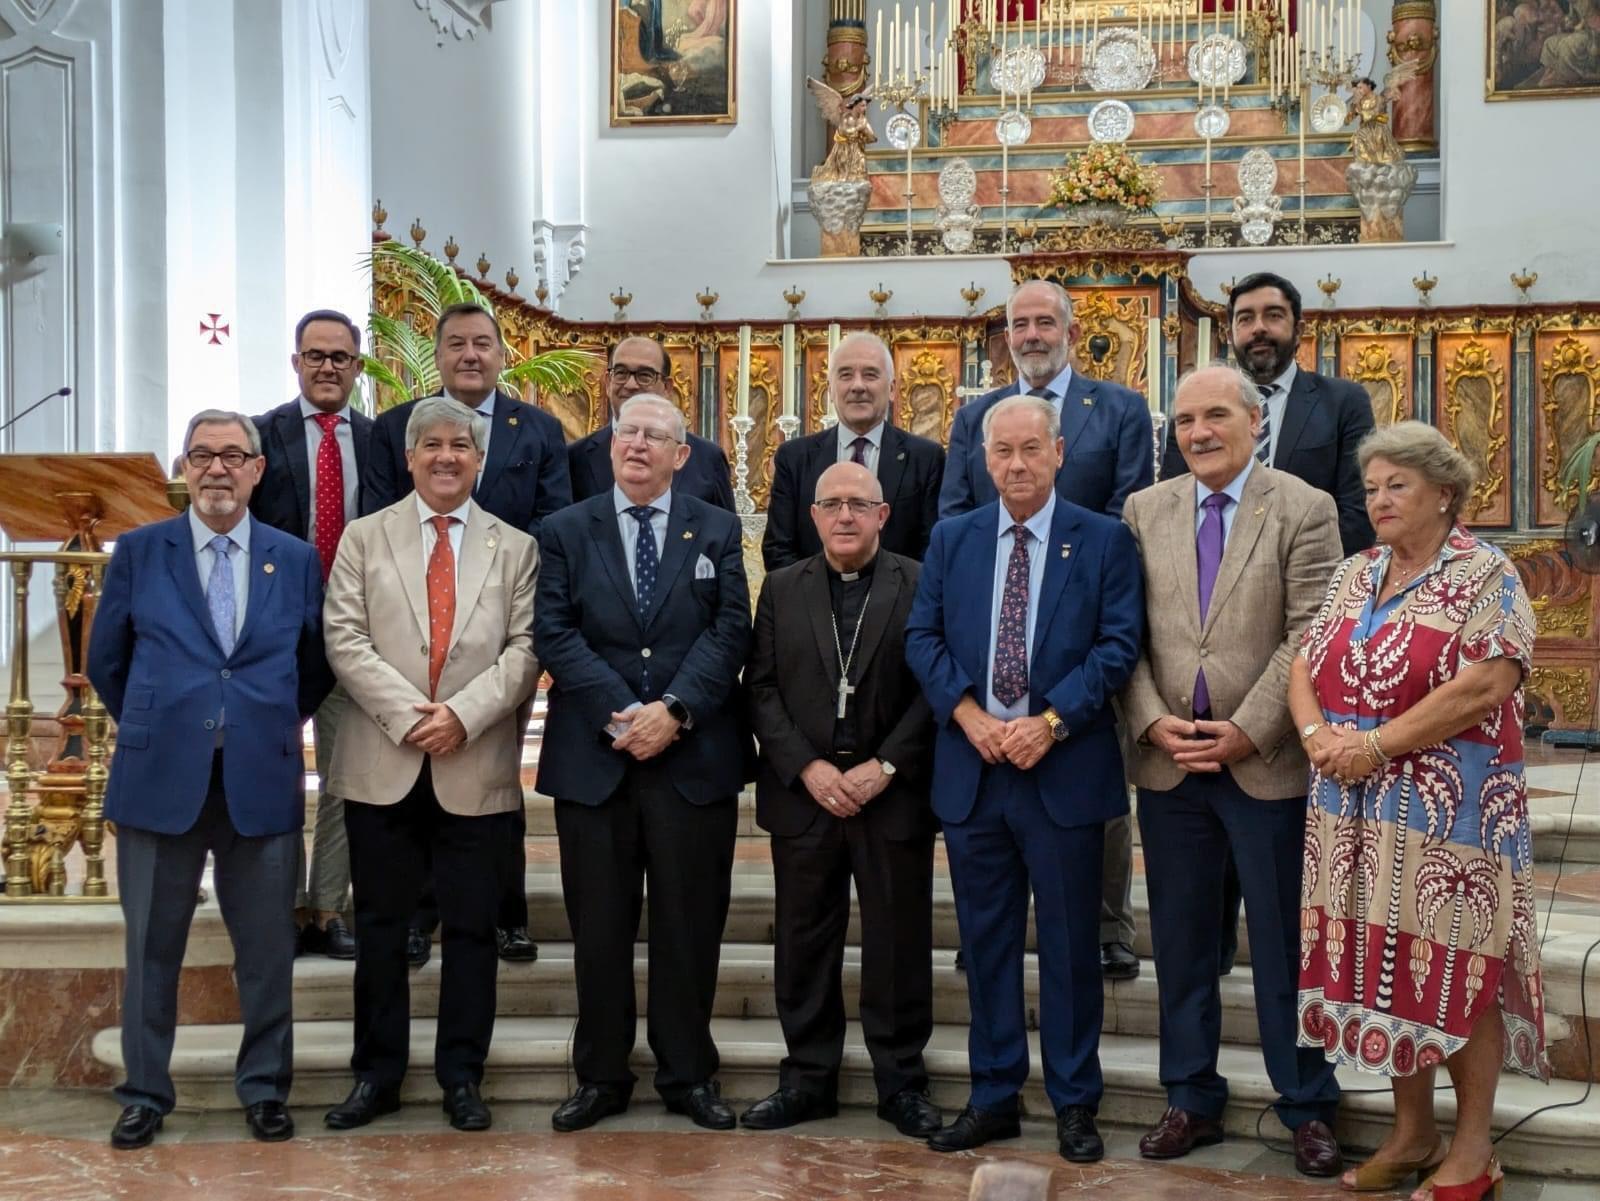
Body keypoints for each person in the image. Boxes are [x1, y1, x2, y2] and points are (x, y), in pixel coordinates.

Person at [1293, 421, 1548, 1201]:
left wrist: (1373, 747)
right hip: (1353, 812)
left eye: (1396, 484)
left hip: (1454, 817)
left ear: (1445, 492)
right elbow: (1306, 660)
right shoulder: (1357, 570)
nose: (1379, 501)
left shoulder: (1485, 572)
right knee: (1388, 963)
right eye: (1371, 488)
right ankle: (1413, 1132)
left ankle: (1474, 1149)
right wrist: (1315, 734)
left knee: (1455, 970)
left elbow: (1485, 685)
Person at [1119, 365, 1344, 1177]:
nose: (1200, 432)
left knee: (1286, 944)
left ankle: (1308, 1103)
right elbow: (1127, 631)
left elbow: (1312, 631)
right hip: (1171, 765)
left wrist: (1247, 730)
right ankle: (1190, 1096)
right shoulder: (1145, 509)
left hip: (1270, 766)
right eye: (1184, 420)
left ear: (1256, 421)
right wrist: (1150, 718)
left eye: (1216, 414)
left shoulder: (1304, 506)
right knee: (1181, 944)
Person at [906, 394, 1143, 1164]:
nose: (1014, 464)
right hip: (975, 772)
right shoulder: (953, 537)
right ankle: (994, 1093)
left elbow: (1118, 645)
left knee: (1073, 947)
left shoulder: (1103, 539)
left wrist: (1050, 722)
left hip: (1062, 768)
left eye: (1029, 449)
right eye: (1000, 450)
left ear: (1059, 451)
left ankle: (1075, 1101)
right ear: (982, 457)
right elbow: (924, 637)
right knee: (987, 942)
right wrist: (970, 716)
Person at [88, 409, 330, 1149]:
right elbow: (108, 660)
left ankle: (264, 1089)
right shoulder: (138, 550)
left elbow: (315, 662)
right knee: (151, 948)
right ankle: (145, 1092)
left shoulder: (292, 558)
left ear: (257, 469)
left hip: (260, 776)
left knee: (265, 953)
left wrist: (260, 719)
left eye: (232, 455)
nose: (217, 469)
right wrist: (167, 720)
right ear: (184, 470)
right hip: (161, 779)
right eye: (202, 456)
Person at [535, 393, 753, 1134]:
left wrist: (677, 710)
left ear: (680, 454)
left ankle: (689, 1072)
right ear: (608, 444)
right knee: (598, 926)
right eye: (626, 431)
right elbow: (554, 631)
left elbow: (731, 630)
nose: (637, 445)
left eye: (655, 435)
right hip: (595, 758)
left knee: (690, 925)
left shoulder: (718, 529)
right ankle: (600, 1074)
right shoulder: (565, 529)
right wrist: (622, 711)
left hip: (692, 759)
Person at [321, 397, 539, 1133]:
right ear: (410, 456)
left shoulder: (516, 546)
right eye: (432, 445)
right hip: (384, 757)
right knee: (381, 926)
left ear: (479, 461)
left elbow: (524, 649)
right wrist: (415, 716)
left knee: (473, 931)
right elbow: (345, 637)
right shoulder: (363, 537)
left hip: (472, 759)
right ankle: (376, 1075)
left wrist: (463, 716)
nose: (446, 456)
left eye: (461, 446)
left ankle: (461, 1076)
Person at [939, 279, 1152, 982]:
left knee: (1096, 789)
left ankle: (1109, 924)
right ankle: (987, 927)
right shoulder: (977, 416)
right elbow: (956, 508)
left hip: (1085, 607)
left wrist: (1077, 564)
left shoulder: (1118, 407)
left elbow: (1130, 505)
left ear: (1068, 327)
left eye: (1043, 321)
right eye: (1019, 323)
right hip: (995, 597)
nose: (1031, 334)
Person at [1166, 271, 1378, 975]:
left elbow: (1356, 507)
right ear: (1229, 328)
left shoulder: (1340, 401)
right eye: (1246, 317)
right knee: (1194, 908)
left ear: (1296, 324)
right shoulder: (1196, 410)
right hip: (1197, 674)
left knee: (1281, 899)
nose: (1259, 327)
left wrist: (1295, 556)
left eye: (1273, 315)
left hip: (1304, 629)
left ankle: (1299, 1063)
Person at [362, 301, 568, 965]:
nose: (470, 354)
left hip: (500, 632)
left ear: (502, 353)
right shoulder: (396, 427)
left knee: (494, 781)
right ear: (439, 353)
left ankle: (505, 913)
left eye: (483, 343)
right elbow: (377, 523)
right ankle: (422, 915)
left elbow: (553, 524)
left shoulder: (536, 429)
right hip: (410, 635)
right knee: (418, 780)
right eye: (457, 344)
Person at [741, 461, 941, 1139]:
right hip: (806, 795)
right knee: (803, 940)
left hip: (892, 792)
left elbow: (934, 688)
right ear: (814, 515)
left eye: (860, 503)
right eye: (833, 503)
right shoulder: (783, 586)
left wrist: (885, 765)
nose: (846, 515)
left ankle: (901, 1080)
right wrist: (807, 767)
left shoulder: (918, 581)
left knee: (897, 940)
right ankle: (806, 1076)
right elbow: (760, 688)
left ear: (884, 515)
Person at [250, 308, 373, 960]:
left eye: (340, 356)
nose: (328, 366)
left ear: (357, 365)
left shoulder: (380, 441)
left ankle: (327, 907)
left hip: (352, 633)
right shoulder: (260, 437)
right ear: (295, 361)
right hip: (272, 638)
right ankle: (278, 909)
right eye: (315, 355)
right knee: (271, 778)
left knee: (343, 777)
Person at [762, 331, 944, 570]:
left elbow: (931, 550)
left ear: (891, 389)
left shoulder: (926, 459)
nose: (858, 386)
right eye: (846, 375)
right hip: (810, 603)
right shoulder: (794, 458)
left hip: (900, 603)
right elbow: (778, 549)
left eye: (870, 374)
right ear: (830, 389)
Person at [568, 335, 734, 511]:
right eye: (621, 373)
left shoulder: (707, 458)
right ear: (608, 382)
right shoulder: (575, 458)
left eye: (645, 375)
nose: (631, 384)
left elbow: (724, 532)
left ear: (667, 387)